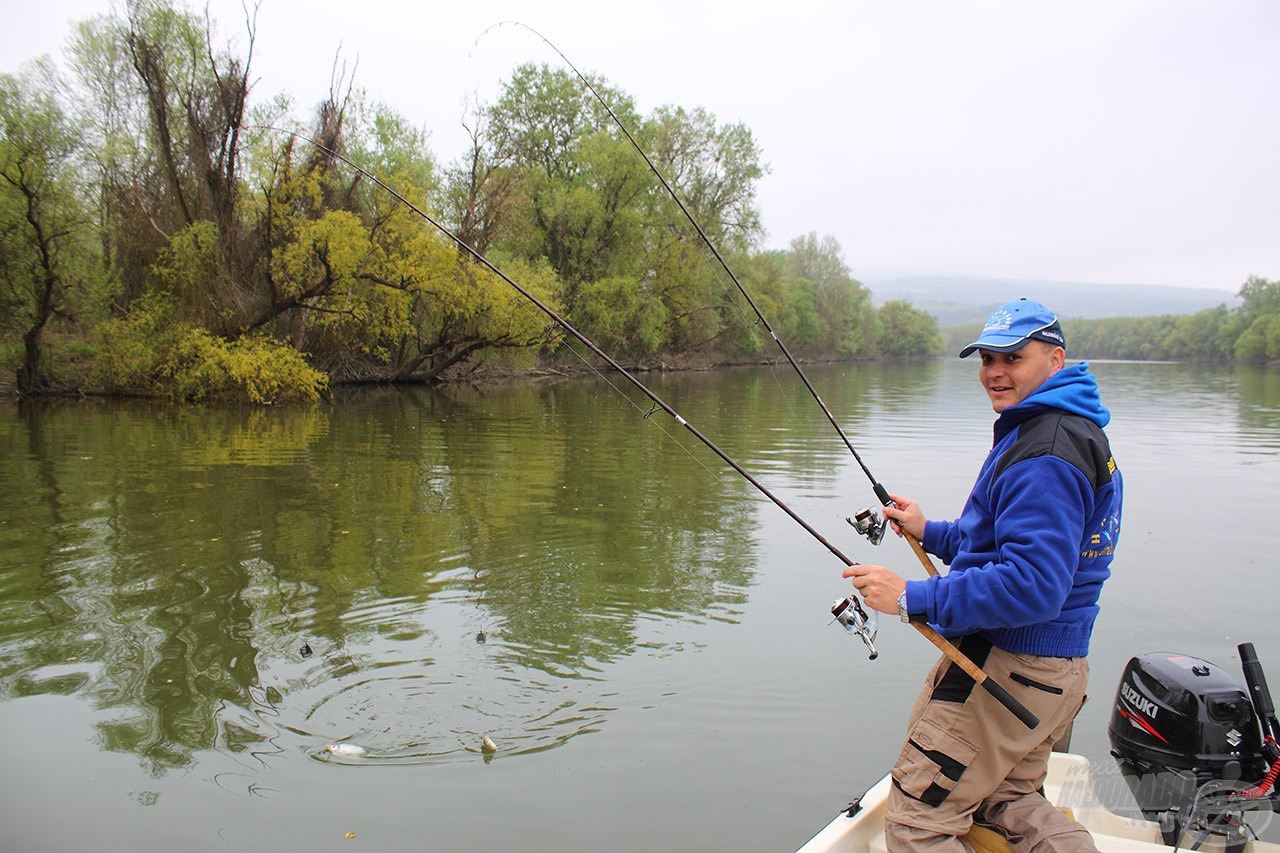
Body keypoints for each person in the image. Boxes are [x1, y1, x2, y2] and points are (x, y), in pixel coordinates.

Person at [845, 298, 1122, 852]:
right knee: (1007, 804)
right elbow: (1017, 547)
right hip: (1056, 671)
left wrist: (910, 596)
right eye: (987, 359)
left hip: (1003, 670)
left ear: (1054, 358)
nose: (995, 372)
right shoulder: (1069, 429)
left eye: (1013, 358)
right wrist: (932, 532)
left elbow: (1032, 585)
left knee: (918, 826)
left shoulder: (1044, 450)